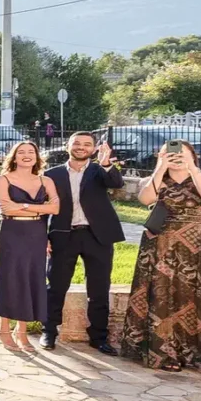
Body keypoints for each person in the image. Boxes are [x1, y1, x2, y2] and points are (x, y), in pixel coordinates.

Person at [121, 142, 201, 376]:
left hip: (199, 244)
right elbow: (145, 199)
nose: (177, 157)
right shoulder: (156, 180)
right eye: (170, 153)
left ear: (193, 156)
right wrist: (160, 168)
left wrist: (192, 169)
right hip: (162, 243)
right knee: (164, 295)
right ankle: (165, 352)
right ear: (161, 156)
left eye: (183, 154)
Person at [42, 131, 124, 353]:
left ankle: (99, 336)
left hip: (97, 236)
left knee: (99, 287)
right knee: (56, 285)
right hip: (63, 234)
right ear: (67, 146)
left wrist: (106, 163)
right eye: (76, 143)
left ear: (94, 149)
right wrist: (42, 237)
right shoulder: (51, 174)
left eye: (87, 144)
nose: (81, 147)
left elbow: (116, 183)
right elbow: (43, 209)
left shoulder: (100, 171)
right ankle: (49, 331)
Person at [0, 142, 58, 353]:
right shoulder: (1, 179)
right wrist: (39, 209)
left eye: (31, 152)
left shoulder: (46, 180)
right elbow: (6, 207)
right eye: (21, 152)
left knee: (32, 280)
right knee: (10, 279)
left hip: (37, 235)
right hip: (11, 233)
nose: (26, 155)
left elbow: (55, 208)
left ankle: (21, 331)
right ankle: (3, 328)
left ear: (37, 157)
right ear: (14, 157)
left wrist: (24, 206)